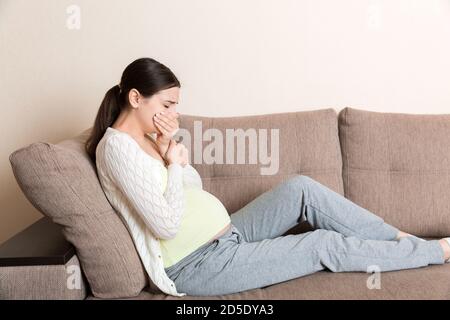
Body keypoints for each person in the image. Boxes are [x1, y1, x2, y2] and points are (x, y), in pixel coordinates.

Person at [86, 57, 450, 297]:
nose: (174, 115)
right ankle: (434, 251)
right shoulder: (116, 149)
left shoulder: (150, 139)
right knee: (320, 244)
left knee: (301, 189)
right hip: (195, 265)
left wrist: (169, 150)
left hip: (227, 235)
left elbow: (191, 188)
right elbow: (165, 226)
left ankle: (398, 237)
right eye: (167, 105)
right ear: (136, 97)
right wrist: (173, 164)